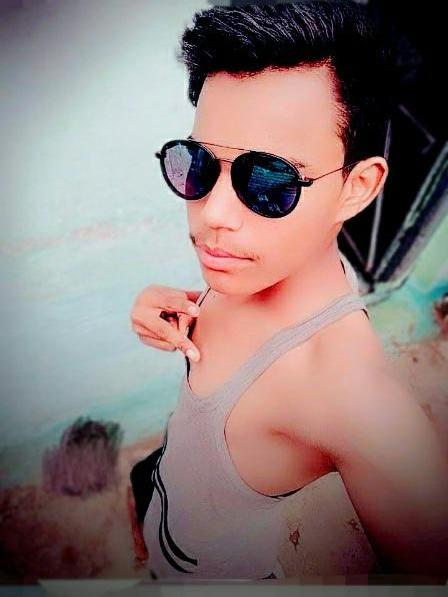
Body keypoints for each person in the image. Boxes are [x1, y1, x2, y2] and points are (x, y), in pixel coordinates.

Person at [129, 1, 448, 580]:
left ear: (356, 188)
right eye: (197, 164)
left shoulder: (354, 398)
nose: (213, 215)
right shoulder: (249, 265)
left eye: (268, 182)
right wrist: (165, 309)